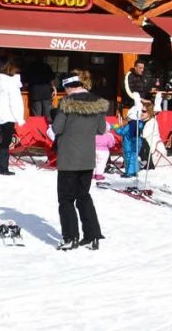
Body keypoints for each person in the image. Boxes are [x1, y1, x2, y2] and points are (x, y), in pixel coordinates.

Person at [51, 72, 108, 250]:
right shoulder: (98, 102)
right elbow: (101, 129)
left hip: (69, 158)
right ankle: (92, 235)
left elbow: (57, 128)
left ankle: (70, 237)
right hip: (87, 158)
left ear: (68, 87)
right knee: (83, 196)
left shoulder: (66, 103)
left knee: (66, 199)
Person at [0, 59, 25, 176]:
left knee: (3, 142)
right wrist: (20, 119)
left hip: (1, 116)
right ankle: (3, 168)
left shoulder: (0, 82)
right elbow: (15, 103)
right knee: (6, 143)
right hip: (9, 116)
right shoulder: (11, 85)